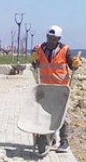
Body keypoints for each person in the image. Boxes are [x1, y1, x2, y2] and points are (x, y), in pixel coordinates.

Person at [31, 25, 82, 153]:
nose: (51, 40)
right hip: (45, 86)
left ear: (58, 38)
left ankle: (64, 142)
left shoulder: (65, 50)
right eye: (49, 37)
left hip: (61, 88)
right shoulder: (40, 49)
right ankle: (50, 138)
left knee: (63, 115)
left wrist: (75, 64)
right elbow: (35, 64)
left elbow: (72, 65)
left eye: (53, 38)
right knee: (45, 114)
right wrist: (34, 59)